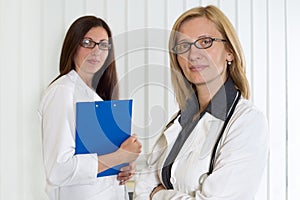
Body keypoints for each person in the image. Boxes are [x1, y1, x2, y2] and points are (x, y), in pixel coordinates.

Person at [134, 5, 268, 200]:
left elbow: (149, 191)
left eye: (205, 42)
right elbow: (142, 187)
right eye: (183, 46)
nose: (193, 54)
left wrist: (157, 194)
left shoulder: (247, 122)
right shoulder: (182, 118)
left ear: (229, 51)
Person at [38, 16, 142, 200]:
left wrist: (126, 163)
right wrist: (119, 156)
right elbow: (58, 170)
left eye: (103, 45)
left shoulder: (98, 95)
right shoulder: (63, 92)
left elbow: (105, 156)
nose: (96, 51)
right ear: (73, 46)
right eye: (88, 43)